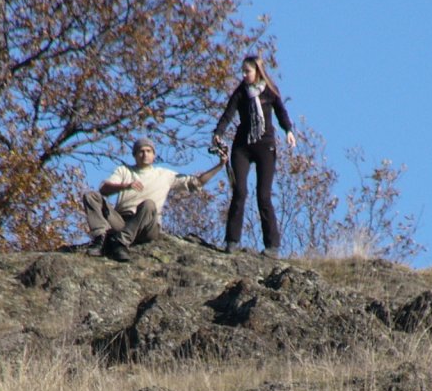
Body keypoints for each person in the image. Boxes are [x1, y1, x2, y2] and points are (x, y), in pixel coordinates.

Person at [82, 138, 227, 262]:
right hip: (122, 221)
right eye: (141, 151)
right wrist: (126, 186)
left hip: (147, 226)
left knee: (149, 204)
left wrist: (220, 166)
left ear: (154, 155)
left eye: (148, 151)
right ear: (134, 155)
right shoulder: (124, 171)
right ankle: (100, 238)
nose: (145, 154)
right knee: (91, 196)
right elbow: (104, 190)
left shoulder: (165, 174)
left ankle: (119, 242)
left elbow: (196, 183)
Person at [212, 54, 296, 258]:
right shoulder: (241, 92)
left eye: (247, 71)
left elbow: (281, 112)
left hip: (265, 146)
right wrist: (218, 133)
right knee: (239, 191)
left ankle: (272, 246)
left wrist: (289, 131)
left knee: (263, 195)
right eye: (242, 71)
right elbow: (228, 113)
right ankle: (232, 241)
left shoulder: (270, 91)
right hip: (242, 146)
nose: (244, 75)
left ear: (257, 71)